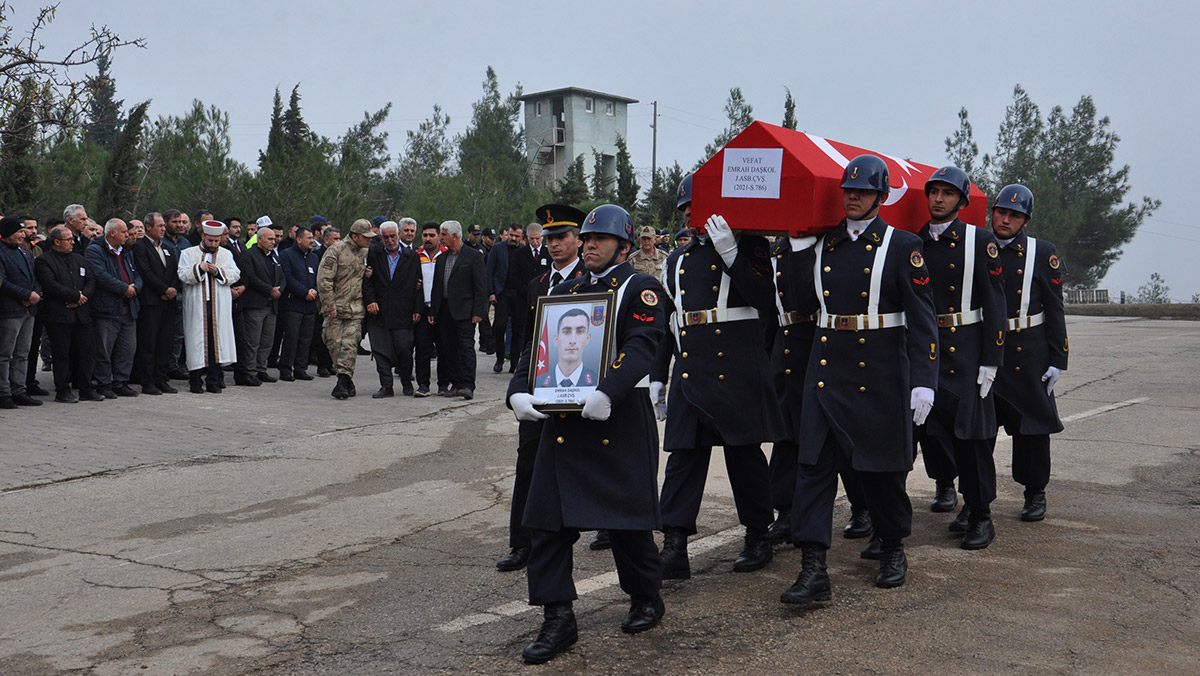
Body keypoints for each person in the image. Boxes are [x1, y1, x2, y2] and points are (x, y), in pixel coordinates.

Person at [507, 204, 667, 664]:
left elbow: (643, 345)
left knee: (627, 526)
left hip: (614, 419)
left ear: (624, 244)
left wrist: (608, 391)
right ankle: (558, 619)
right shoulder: (569, 290)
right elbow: (534, 349)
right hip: (564, 425)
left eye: (600, 239)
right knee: (547, 526)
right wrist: (518, 393)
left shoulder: (641, 287)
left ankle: (645, 596)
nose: (590, 244)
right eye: (587, 238)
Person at [780, 155, 938, 605]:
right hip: (828, 366)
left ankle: (892, 547)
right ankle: (813, 569)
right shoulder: (824, 244)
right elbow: (801, 303)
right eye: (848, 190)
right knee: (812, 468)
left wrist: (924, 379)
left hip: (882, 369)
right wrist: (795, 251)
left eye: (863, 191)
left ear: (880, 197)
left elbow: (923, 319)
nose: (852, 197)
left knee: (882, 470)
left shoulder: (902, 245)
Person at [652, 172, 785, 579]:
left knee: (744, 457)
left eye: (698, 206)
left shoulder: (751, 246)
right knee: (682, 459)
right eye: (686, 210)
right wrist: (660, 375)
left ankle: (758, 534)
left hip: (736, 367)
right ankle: (674, 544)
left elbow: (765, 300)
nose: (693, 215)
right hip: (691, 367)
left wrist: (732, 254)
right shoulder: (676, 259)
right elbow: (667, 322)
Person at [913, 167, 1007, 549]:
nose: (938, 199)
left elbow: (995, 304)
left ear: (962, 201)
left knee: (973, 438)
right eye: (933, 192)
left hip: (966, 351)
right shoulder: (913, 242)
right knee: (933, 433)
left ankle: (981, 513)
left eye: (947, 193)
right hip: (925, 349)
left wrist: (991, 358)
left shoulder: (979, 241)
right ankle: (953, 492)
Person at [497, 203, 589, 572]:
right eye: (549, 237)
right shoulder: (538, 282)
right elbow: (528, 341)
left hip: (583, 386)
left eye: (561, 237)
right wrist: (518, 387)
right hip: (542, 386)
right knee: (529, 464)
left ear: (578, 240)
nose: (553, 244)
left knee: (591, 462)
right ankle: (523, 543)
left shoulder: (593, 279)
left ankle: (610, 529)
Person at [989, 184, 1068, 522]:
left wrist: (1058, 359)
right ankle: (970, 496)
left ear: (1026, 221)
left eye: (1014, 215)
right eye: (1001, 212)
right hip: (986, 350)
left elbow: (1055, 308)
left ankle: (1035, 492)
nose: (1005, 220)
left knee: (1032, 429)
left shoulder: (1042, 252)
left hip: (1028, 349)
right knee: (975, 430)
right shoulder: (977, 246)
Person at [34, 225, 103, 402]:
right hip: (58, 314)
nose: (72, 242)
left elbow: (90, 280)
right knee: (62, 354)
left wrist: (83, 296)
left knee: (87, 352)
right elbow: (50, 284)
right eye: (69, 240)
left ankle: (86, 388)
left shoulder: (79, 259)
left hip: (82, 313)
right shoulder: (44, 261)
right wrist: (74, 296)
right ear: (57, 242)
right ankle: (62, 390)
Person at [178, 221, 240, 393]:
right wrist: (199, 268)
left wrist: (217, 271)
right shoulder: (187, 253)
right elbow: (182, 273)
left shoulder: (226, 255)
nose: (213, 244)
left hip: (219, 305)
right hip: (197, 304)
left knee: (216, 343)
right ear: (203, 236)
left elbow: (236, 273)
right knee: (196, 341)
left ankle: (213, 380)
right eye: (210, 240)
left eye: (216, 241)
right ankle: (195, 381)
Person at [317, 218, 375, 399]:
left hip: (356, 308)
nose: (369, 240)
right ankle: (346, 379)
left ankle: (343, 381)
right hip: (335, 307)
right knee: (333, 343)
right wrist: (329, 305)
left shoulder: (367, 252)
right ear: (355, 236)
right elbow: (324, 280)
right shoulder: (336, 251)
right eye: (366, 237)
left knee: (349, 345)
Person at [85, 219, 143, 399]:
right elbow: (100, 275)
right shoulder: (95, 250)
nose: (128, 235)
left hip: (129, 307)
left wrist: (135, 287)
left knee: (127, 348)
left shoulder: (127, 251)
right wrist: (123, 288)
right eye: (124, 232)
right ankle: (104, 383)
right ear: (112, 233)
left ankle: (121, 382)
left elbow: (136, 274)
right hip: (107, 308)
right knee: (104, 348)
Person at [429, 220, 486, 399]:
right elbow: (436, 287)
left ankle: (468, 385)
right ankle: (455, 383)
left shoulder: (473, 256)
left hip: (466, 311)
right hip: (445, 311)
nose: (440, 238)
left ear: (454, 236)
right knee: (448, 348)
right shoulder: (442, 258)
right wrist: (433, 311)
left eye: (443, 234)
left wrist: (478, 311)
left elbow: (480, 286)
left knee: (466, 347)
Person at [363, 221, 421, 397]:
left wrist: (417, 309)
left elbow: (419, 285)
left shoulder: (412, 256)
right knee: (380, 350)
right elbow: (367, 282)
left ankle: (406, 382)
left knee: (404, 348)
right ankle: (386, 386)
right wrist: (370, 301)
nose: (389, 240)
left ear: (398, 235)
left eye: (392, 236)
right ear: (381, 237)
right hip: (379, 311)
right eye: (386, 237)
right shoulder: (374, 253)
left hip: (403, 311)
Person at [132, 212, 181, 395]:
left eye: (163, 226)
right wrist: (163, 290)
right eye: (159, 226)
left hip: (168, 302)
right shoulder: (140, 247)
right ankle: (147, 381)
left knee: (165, 343)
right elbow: (145, 272)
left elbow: (175, 271)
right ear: (148, 227)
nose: (163, 229)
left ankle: (161, 378)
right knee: (149, 343)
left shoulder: (168, 248)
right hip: (151, 302)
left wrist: (173, 289)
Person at [0, 216, 43, 407]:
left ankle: (19, 390)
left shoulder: (23, 252)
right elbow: (3, 283)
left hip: (28, 310)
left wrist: (35, 293)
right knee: (5, 353)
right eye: (19, 231)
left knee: (22, 352)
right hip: (11, 309)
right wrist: (25, 295)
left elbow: (34, 275)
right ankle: (3, 392)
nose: (22, 234)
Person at [237, 223, 284, 385]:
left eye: (275, 239)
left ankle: (261, 369)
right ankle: (249, 371)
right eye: (270, 239)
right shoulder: (248, 255)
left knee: (267, 340)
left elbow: (282, 276)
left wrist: (279, 290)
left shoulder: (274, 256)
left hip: (272, 305)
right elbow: (250, 277)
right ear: (260, 239)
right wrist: (269, 290)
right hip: (256, 303)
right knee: (253, 340)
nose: (274, 241)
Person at [278, 226, 319, 382]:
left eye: (312, 238)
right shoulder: (286, 255)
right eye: (309, 238)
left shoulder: (314, 257)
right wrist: (304, 292)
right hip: (292, 304)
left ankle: (300, 368)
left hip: (310, 306)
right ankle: (286, 369)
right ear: (299, 239)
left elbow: (318, 278)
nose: (312, 241)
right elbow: (287, 277)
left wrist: (315, 291)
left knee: (305, 339)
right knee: (291, 337)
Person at [414, 223, 448, 396]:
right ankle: (423, 384)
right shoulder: (416, 256)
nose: (428, 239)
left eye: (431, 235)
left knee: (444, 348)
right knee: (422, 348)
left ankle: (443, 384)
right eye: (425, 235)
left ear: (439, 237)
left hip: (442, 309)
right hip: (423, 308)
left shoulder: (446, 255)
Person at [487, 224, 525, 373]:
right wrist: (491, 292)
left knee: (517, 329)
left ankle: (514, 362)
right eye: (511, 235)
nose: (513, 238)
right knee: (500, 325)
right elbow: (489, 271)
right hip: (501, 293)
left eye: (517, 236)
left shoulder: (524, 251)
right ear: (507, 234)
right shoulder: (497, 249)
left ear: (521, 237)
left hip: (519, 294)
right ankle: (499, 358)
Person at [311, 225, 341, 378]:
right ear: (326, 239)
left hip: (337, 298)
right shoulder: (318, 255)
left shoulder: (340, 254)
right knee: (323, 333)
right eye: (335, 239)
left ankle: (330, 364)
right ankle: (322, 365)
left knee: (335, 334)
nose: (338, 241)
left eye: (339, 238)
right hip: (322, 299)